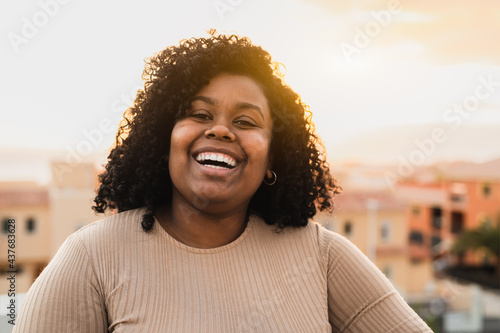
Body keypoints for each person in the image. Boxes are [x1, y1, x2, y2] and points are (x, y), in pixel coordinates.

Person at [14, 32, 432, 332]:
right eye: (199, 114)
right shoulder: (92, 258)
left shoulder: (322, 256)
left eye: (246, 121)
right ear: (164, 138)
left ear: (273, 155)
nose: (221, 130)